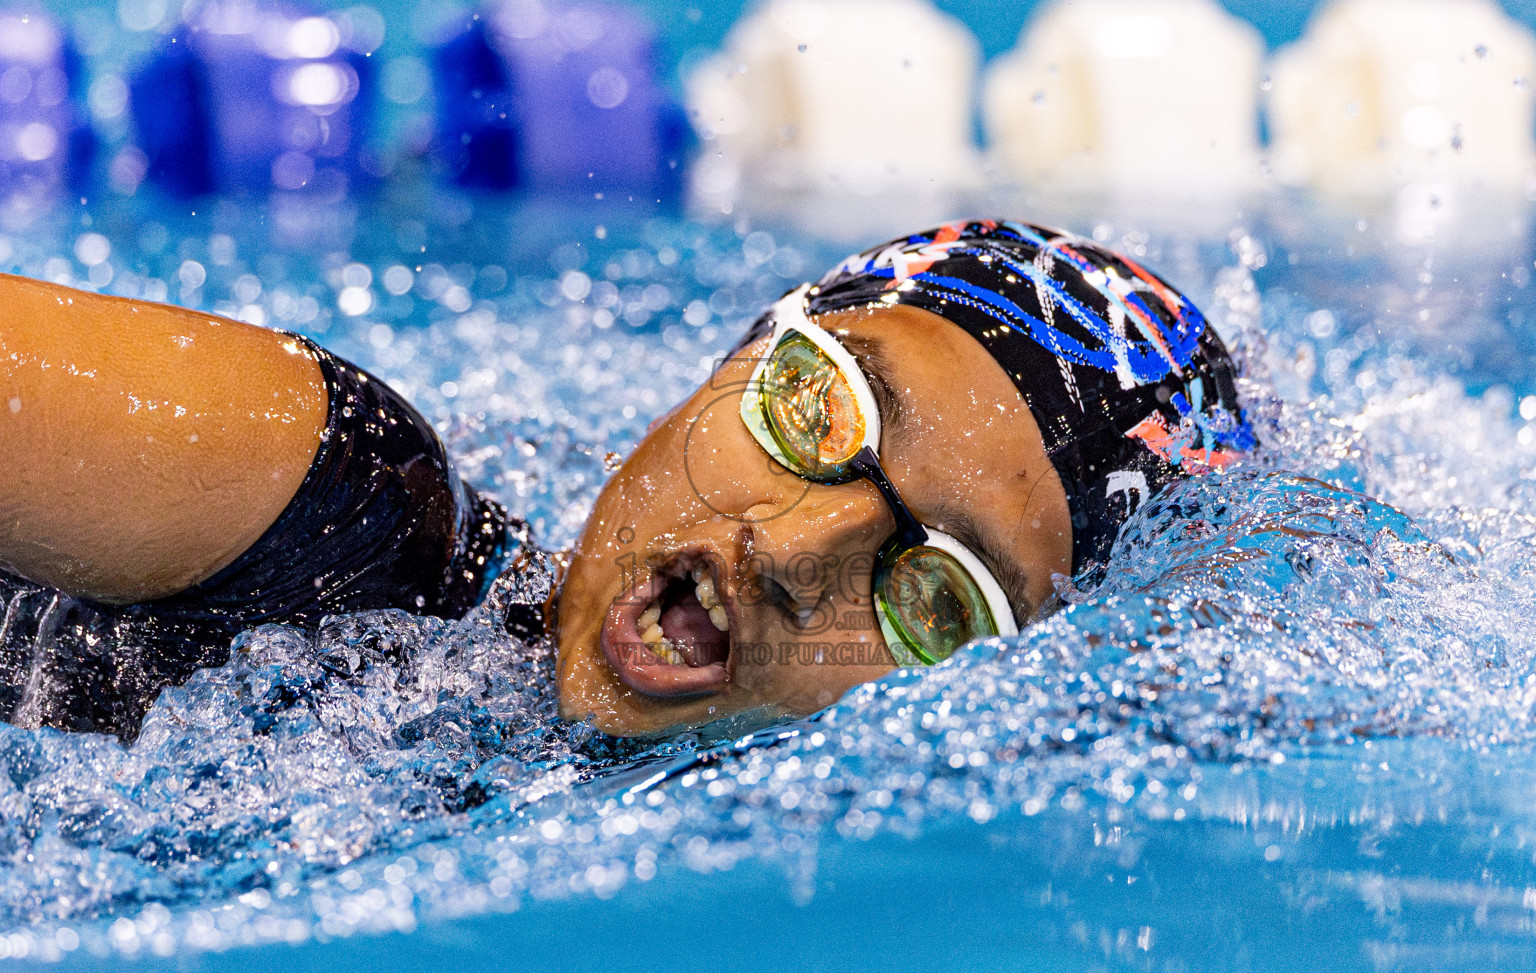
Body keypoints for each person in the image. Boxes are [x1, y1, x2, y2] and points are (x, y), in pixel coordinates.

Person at [0, 219, 1254, 741]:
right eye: (816, 404)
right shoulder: (321, 494)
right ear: (729, 359)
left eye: (934, 597)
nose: (793, 549)